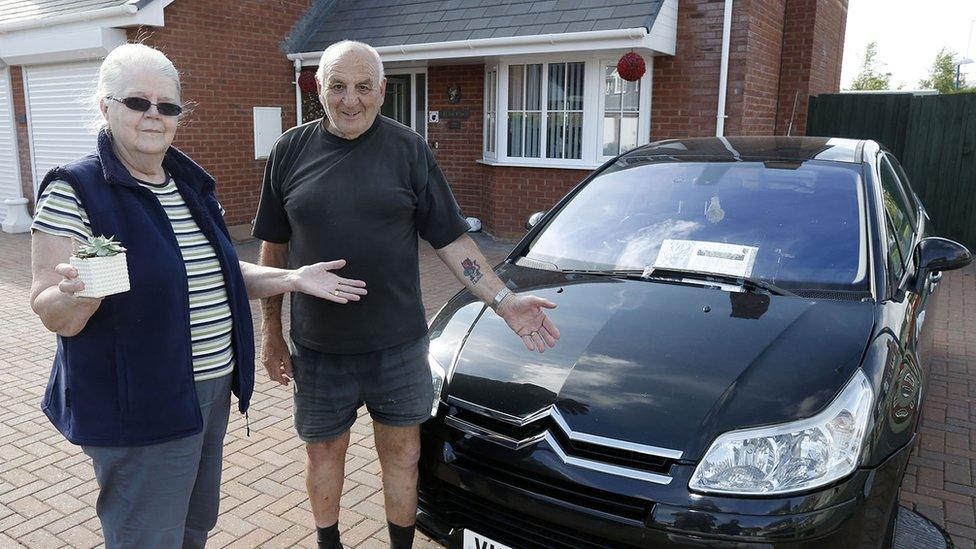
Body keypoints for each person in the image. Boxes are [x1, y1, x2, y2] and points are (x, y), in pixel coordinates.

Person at [28, 43, 367, 549]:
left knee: (193, 527)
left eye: (167, 106)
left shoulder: (188, 186)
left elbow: (224, 274)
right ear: (106, 107)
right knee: (148, 536)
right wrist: (79, 293)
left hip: (208, 393)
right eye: (137, 102)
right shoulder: (76, 189)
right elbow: (52, 311)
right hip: (141, 402)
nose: (153, 116)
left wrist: (293, 279)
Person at [253, 40, 560, 549]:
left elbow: (451, 238)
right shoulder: (290, 150)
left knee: (403, 456)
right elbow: (274, 247)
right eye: (337, 86)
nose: (351, 100)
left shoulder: (408, 149)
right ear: (318, 89)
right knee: (323, 456)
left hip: (396, 347)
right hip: (319, 348)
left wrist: (504, 301)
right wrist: (272, 332)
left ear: (382, 91)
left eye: (363, 87)